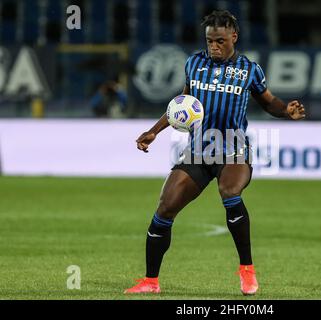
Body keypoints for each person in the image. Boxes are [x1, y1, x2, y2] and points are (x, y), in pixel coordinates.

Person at [124, 10, 305, 295]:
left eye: (220, 41)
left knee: (230, 192)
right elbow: (182, 104)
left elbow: (269, 103)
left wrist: (286, 111)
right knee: (165, 208)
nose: (214, 46)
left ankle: (247, 270)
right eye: (210, 41)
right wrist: (154, 131)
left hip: (234, 149)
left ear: (234, 37)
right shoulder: (194, 63)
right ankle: (150, 281)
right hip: (198, 151)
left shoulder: (249, 69)